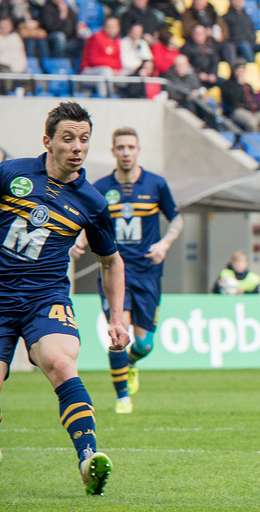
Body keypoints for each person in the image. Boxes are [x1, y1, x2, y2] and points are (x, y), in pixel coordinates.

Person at [0, 102, 128, 496]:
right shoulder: (11, 174)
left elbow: (111, 261)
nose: (77, 147)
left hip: (46, 299)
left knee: (62, 363)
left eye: (84, 139)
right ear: (47, 141)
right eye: (68, 138)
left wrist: (116, 317)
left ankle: (88, 459)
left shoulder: (92, 202)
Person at [71, 127, 183, 414]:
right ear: (113, 152)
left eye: (131, 147)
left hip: (148, 272)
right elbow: (87, 221)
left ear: (138, 151)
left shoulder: (156, 185)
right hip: (114, 270)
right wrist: (79, 242)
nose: (126, 152)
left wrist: (164, 244)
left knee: (144, 345)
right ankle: (122, 398)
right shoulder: (100, 187)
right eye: (120, 147)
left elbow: (177, 220)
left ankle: (131, 363)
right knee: (119, 332)